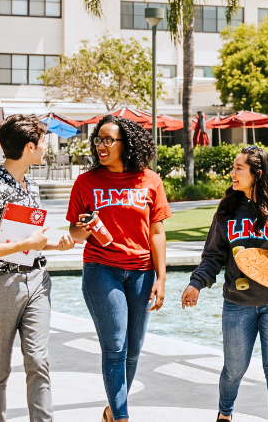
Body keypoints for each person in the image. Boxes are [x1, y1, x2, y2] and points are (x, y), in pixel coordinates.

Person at [181, 146, 268, 422]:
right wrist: (196, 283)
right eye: (233, 168)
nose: (232, 173)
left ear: (257, 173)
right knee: (233, 369)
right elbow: (213, 255)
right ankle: (225, 414)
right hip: (237, 304)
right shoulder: (227, 210)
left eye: (238, 168)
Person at [0, 114, 76, 422]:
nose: (46, 148)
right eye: (43, 142)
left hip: (38, 281)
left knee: (38, 360)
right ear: (29, 147)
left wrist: (55, 244)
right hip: (2, 287)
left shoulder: (31, 185)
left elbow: (27, 241)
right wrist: (25, 243)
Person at [66, 115, 171, 422]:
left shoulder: (150, 180)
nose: (102, 145)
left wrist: (161, 277)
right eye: (98, 139)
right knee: (115, 346)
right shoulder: (86, 182)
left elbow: (157, 232)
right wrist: (85, 227)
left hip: (141, 272)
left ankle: (112, 411)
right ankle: (123, 418)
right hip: (102, 269)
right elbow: (73, 233)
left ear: (127, 144)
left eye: (108, 140)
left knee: (134, 348)